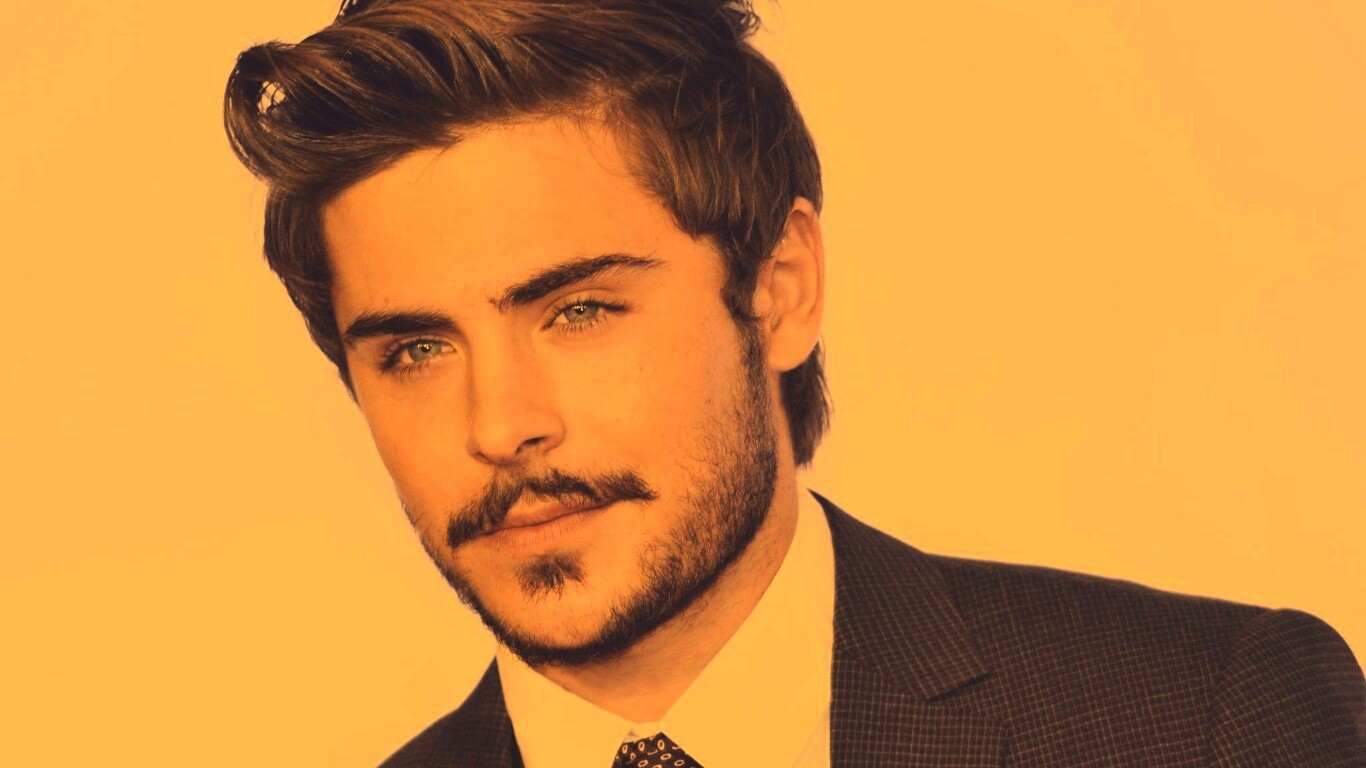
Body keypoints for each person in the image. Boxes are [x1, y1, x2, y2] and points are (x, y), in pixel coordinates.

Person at [221, 0, 1365, 765]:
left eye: (579, 311)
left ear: (779, 291)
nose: (503, 423)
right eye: (415, 351)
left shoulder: (1205, 721)